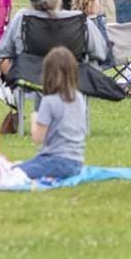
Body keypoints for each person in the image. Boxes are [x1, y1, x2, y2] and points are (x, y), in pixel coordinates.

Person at [0, 0, 106, 79]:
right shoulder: (79, 19)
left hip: (31, 84)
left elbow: (2, 56)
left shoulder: (22, 18)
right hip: (71, 85)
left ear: (32, 1)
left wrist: (16, 81)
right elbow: (100, 53)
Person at [19, 46, 87, 181]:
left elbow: (38, 138)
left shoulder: (49, 101)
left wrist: (34, 119)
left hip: (56, 161)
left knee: (14, 172)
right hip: (77, 160)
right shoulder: (78, 97)